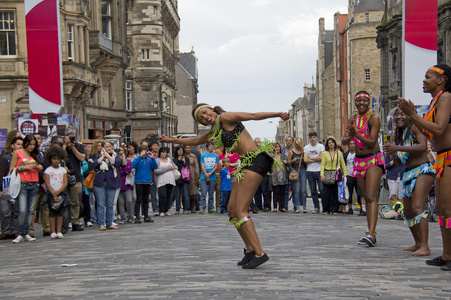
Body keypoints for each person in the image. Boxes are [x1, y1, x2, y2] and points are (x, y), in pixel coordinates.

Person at [160, 103, 289, 269]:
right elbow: (196, 140)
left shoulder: (225, 117)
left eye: (205, 113)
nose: (206, 117)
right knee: (231, 209)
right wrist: (170, 140)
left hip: (256, 161)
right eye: (202, 118)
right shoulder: (215, 130)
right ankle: (250, 250)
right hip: (246, 164)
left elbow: (252, 115)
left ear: (212, 110)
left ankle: (260, 253)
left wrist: (278, 113)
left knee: (241, 210)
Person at [398, 64, 451, 270]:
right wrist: (411, 116)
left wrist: (414, 115)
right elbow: (428, 134)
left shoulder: (446, 97)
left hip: (448, 156)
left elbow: (438, 129)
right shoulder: (435, 101)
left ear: (441, 79)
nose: (424, 80)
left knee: (447, 208)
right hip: (442, 157)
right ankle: (446, 254)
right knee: (440, 209)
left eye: (428, 77)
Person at [384, 107, 435, 255]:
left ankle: (425, 246)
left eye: (402, 114)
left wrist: (397, 147)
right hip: (408, 173)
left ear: (410, 116)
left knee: (418, 207)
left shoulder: (417, 127)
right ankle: (418, 243)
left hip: (423, 170)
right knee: (407, 211)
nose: (399, 117)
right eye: (396, 115)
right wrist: (394, 154)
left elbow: (422, 146)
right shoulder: (400, 135)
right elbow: (400, 163)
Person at [342, 91, 385, 247]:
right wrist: (348, 135)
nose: (361, 103)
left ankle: (372, 234)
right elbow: (345, 139)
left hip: (373, 158)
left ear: (369, 103)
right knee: (366, 197)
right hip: (359, 160)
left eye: (364, 101)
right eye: (358, 100)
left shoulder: (374, 118)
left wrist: (356, 134)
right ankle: (369, 231)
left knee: (372, 196)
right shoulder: (353, 119)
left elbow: (372, 142)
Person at [10, 134, 43, 243]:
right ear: (25, 143)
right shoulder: (17, 153)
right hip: (23, 183)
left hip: (34, 183)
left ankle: (27, 232)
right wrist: (24, 167)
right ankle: (21, 233)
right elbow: (11, 169)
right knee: (22, 210)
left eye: (34, 145)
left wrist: (38, 167)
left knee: (30, 211)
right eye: (30, 144)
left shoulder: (34, 155)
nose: (31, 147)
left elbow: (38, 166)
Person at [91, 140, 121, 231]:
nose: (109, 148)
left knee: (110, 204)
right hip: (100, 183)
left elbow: (117, 163)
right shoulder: (98, 156)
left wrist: (108, 156)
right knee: (100, 204)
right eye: (107, 147)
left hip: (111, 182)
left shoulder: (116, 156)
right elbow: (94, 165)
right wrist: (101, 158)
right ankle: (101, 223)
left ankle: (109, 222)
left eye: (110, 147)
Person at [43, 146, 70, 239]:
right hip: (51, 194)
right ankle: (52, 231)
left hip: (61, 194)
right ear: (50, 159)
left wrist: (59, 192)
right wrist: (53, 193)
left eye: (58, 159)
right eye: (54, 159)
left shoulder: (62, 170)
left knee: (60, 213)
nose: (56, 161)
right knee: (52, 213)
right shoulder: (48, 170)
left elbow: (65, 182)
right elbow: (47, 182)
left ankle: (59, 231)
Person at [0, 136, 23, 240]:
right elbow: (1, 174)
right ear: (13, 146)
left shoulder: (23, 159)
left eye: (22, 145)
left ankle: (14, 230)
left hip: (18, 188)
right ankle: (5, 231)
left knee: (16, 210)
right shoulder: (6, 158)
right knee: (5, 210)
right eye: (18, 144)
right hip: (6, 188)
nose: (20, 147)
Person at [63, 128, 85, 232]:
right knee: (64, 201)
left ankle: (75, 221)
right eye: (70, 137)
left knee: (75, 201)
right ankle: (65, 222)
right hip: (62, 178)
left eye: (74, 137)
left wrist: (73, 147)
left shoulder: (79, 146)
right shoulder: (61, 145)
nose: (73, 139)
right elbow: (59, 157)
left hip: (76, 176)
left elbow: (82, 158)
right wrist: (65, 145)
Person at [320, 136, 347, 215]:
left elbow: (342, 164)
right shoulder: (325, 154)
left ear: (335, 144)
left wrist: (345, 173)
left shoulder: (339, 153)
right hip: (327, 172)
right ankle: (326, 209)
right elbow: (322, 165)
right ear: (327, 145)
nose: (331, 144)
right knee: (326, 193)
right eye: (329, 143)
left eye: (332, 143)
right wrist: (322, 174)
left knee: (335, 192)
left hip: (336, 173)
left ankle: (335, 209)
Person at [132, 145, 158, 223]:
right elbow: (133, 165)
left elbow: (155, 167)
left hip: (147, 181)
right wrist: (140, 157)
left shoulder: (149, 160)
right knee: (139, 199)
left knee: (146, 199)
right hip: (139, 181)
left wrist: (152, 158)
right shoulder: (137, 159)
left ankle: (146, 215)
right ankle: (137, 216)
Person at [304, 132, 324, 214]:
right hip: (310, 171)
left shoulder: (321, 146)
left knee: (322, 189)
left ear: (316, 137)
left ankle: (324, 206)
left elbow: (321, 158)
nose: (312, 139)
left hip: (319, 170)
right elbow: (305, 160)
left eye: (314, 137)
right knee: (313, 190)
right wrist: (317, 158)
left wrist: (311, 158)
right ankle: (316, 206)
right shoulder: (306, 147)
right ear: (309, 138)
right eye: (311, 137)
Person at [154, 147, 177, 216]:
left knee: (168, 196)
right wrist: (167, 169)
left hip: (170, 180)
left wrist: (172, 168)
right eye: (162, 152)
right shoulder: (157, 160)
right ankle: (161, 210)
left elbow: (175, 167)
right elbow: (156, 171)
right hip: (161, 180)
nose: (164, 154)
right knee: (162, 195)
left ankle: (166, 210)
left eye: (165, 152)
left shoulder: (169, 159)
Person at [343, 140, 364, 215]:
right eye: (351, 144)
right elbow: (344, 164)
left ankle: (362, 208)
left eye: (353, 144)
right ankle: (350, 208)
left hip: (357, 175)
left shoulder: (359, 153)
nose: (352, 145)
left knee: (359, 192)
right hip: (349, 175)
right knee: (349, 192)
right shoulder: (346, 154)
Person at [288, 137, 307, 213]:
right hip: (295, 171)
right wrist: (293, 160)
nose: (297, 145)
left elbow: (306, 162)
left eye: (298, 144)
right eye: (296, 144)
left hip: (303, 170)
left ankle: (304, 207)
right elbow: (289, 162)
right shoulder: (291, 152)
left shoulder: (304, 152)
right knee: (296, 190)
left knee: (303, 190)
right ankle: (297, 207)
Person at [199, 141, 219, 214]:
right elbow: (202, 165)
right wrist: (205, 174)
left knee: (211, 194)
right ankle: (202, 207)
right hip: (203, 177)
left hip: (212, 176)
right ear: (207, 146)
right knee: (203, 193)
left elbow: (216, 166)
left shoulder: (216, 156)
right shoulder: (203, 155)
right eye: (210, 145)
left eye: (212, 145)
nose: (211, 147)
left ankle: (210, 207)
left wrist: (210, 173)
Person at [118, 147, 134, 224]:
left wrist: (124, 157)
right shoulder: (117, 162)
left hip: (127, 184)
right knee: (121, 202)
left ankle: (130, 216)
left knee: (129, 200)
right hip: (119, 184)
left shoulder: (128, 161)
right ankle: (123, 217)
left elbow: (128, 170)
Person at [173, 145, 191, 214]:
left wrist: (183, 162)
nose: (180, 152)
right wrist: (178, 160)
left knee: (186, 194)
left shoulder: (186, 158)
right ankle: (177, 209)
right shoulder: (174, 159)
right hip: (178, 179)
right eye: (179, 150)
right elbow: (174, 167)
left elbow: (187, 167)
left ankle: (186, 208)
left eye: (181, 150)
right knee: (178, 194)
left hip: (185, 178)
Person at [271, 142, 288, 212]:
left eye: (278, 147)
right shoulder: (272, 156)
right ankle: (275, 207)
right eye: (276, 147)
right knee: (275, 192)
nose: (277, 148)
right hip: (275, 176)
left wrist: (286, 162)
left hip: (282, 175)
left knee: (282, 193)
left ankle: (282, 207)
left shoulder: (283, 155)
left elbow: (288, 164)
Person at [185, 145, 200, 213]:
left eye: (189, 148)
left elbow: (196, 166)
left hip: (192, 175)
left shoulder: (193, 156)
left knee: (193, 192)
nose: (188, 149)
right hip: (184, 176)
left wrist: (197, 177)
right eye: (187, 148)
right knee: (185, 192)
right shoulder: (182, 156)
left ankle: (192, 207)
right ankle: (185, 207)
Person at [148, 141, 160, 216]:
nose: (155, 147)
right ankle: (155, 209)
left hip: (160, 176)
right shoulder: (149, 155)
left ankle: (161, 208)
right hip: (152, 176)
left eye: (156, 145)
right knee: (153, 194)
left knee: (160, 193)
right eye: (154, 145)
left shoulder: (160, 154)